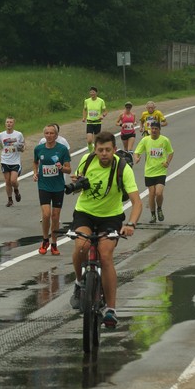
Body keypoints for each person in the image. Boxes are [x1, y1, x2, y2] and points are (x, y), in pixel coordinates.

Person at [68, 131, 142, 329]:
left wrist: (131, 225)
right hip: (85, 212)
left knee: (106, 255)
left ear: (114, 150)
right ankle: (78, 283)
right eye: (100, 150)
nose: (104, 154)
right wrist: (76, 183)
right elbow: (78, 187)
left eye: (108, 150)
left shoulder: (122, 168)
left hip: (111, 217)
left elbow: (137, 203)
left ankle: (111, 309)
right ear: (95, 149)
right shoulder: (86, 159)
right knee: (81, 246)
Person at [33, 124, 71, 256]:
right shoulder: (39, 149)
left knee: (55, 216)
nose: (49, 136)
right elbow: (35, 162)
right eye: (47, 133)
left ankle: (54, 243)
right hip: (44, 186)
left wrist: (61, 168)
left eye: (51, 133)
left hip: (58, 187)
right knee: (46, 214)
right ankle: (45, 240)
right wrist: (35, 173)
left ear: (56, 135)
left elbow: (69, 169)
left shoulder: (62, 149)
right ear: (44, 135)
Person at [134, 121, 174, 224]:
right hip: (149, 172)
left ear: (159, 130)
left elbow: (171, 152)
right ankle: (153, 215)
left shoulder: (165, 140)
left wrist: (167, 162)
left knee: (158, 193)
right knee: (151, 194)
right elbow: (137, 152)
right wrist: (137, 158)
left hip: (161, 171)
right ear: (150, 130)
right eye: (152, 129)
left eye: (156, 129)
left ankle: (159, 208)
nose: (154, 130)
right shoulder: (145, 140)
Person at [0, 116, 25, 207]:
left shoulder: (18, 134)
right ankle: (10, 200)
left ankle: (16, 190)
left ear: (13, 124)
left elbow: (23, 146)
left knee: (13, 181)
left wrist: (21, 148)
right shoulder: (1, 134)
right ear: (5, 124)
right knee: (7, 181)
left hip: (15, 161)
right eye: (7, 122)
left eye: (11, 122)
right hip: (5, 160)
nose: (9, 124)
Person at [81, 86, 107, 150]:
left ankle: (95, 151)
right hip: (89, 122)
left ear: (96, 93)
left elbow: (105, 111)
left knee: (96, 141)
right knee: (89, 140)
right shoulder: (87, 101)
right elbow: (84, 109)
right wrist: (84, 117)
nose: (92, 93)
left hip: (97, 122)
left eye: (93, 92)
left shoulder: (101, 101)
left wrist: (102, 115)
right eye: (90, 92)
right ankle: (91, 152)